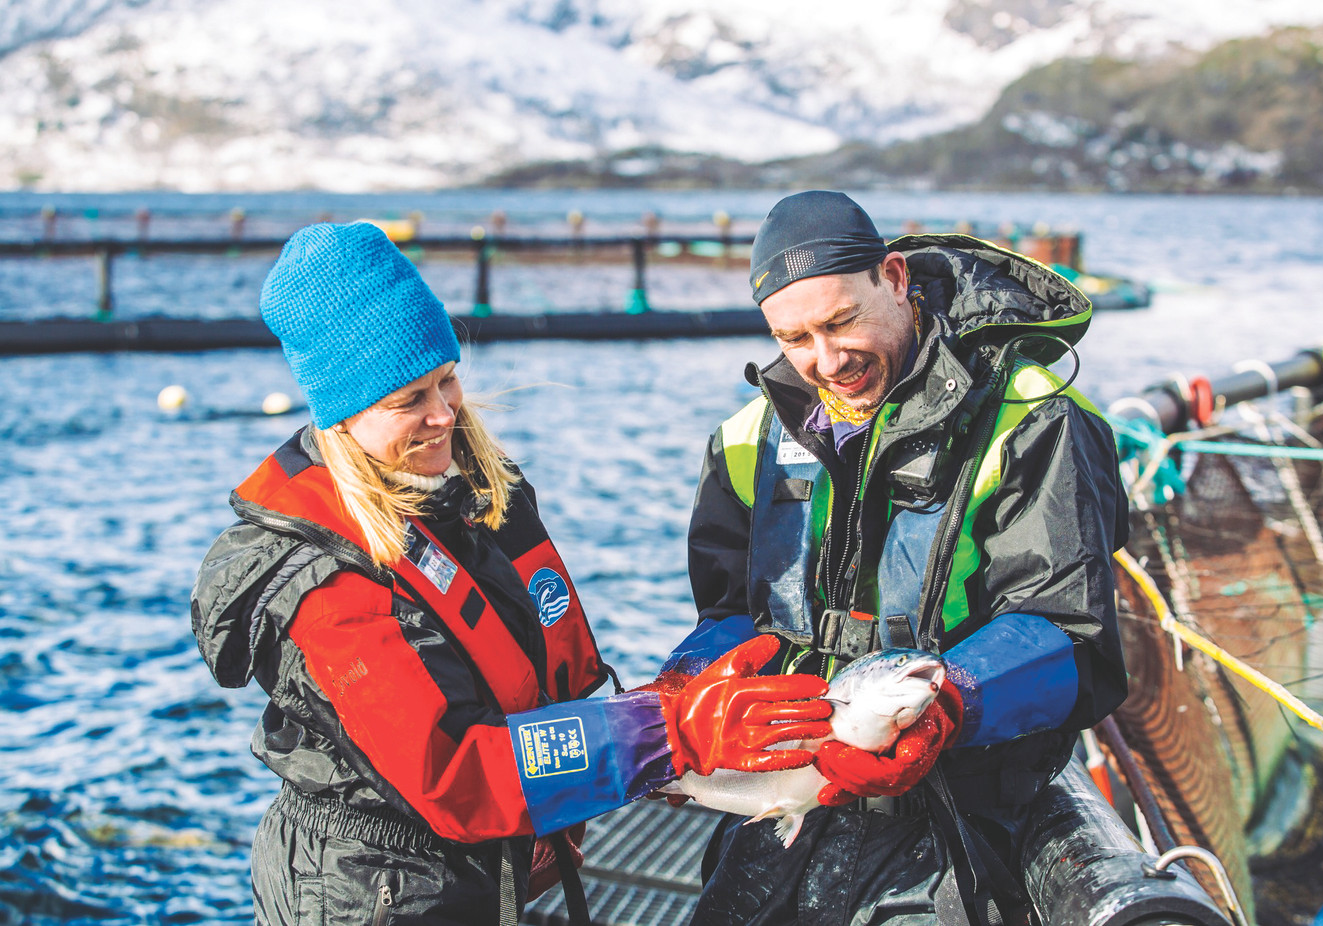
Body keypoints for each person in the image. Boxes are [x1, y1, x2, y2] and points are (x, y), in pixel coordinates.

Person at [190, 222, 833, 925]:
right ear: (341, 417)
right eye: (408, 401)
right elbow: (456, 774)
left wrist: (663, 710)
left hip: (480, 869)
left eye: (447, 380)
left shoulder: (476, 494)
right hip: (373, 894)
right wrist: (667, 733)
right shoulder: (325, 581)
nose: (443, 414)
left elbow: (554, 674)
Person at [680, 192, 1129, 925]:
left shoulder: (1035, 416)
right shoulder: (745, 438)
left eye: (840, 321)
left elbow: (1070, 635)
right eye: (794, 338)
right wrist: (689, 693)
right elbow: (730, 615)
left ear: (895, 277)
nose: (827, 361)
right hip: (788, 808)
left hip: (964, 820)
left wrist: (950, 703)